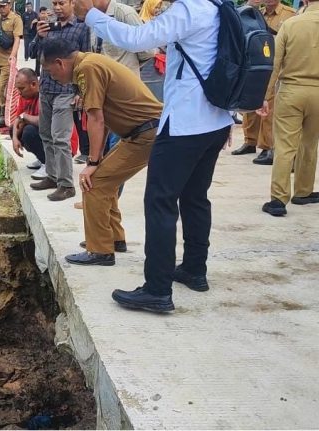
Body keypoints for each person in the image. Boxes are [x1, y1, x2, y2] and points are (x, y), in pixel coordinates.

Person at [74, 0, 234, 312]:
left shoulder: (188, 10)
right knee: (195, 198)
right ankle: (194, 269)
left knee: (159, 202)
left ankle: (157, 289)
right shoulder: (219, 7)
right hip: (216, 120)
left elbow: (136, 40)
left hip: (185, 123)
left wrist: (91, 15)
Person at [41, 39, 162, 266]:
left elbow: (96, 118)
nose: (52, 77)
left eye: (50, 71)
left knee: (93, 183)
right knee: (105, 179)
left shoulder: (87, 68)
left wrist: (93, 163)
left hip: (146, 133)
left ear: (60, 63)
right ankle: (114, 239)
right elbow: (103, 119)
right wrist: (97, 160)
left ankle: (100, 251)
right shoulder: (90, 63)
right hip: (143, 132)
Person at [257, 0, 319, 217]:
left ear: (305, 1)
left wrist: (264, 97)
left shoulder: (290, 24)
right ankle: (303, 191)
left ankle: (278, 200)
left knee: (284, 146)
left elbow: (275, 64)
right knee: (309, 143)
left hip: (291, 92)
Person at [29, 0, 91, 202]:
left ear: (72, 3)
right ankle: (52, 176)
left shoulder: (81, 29)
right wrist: (38, 37)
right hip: (46, 87)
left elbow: (87, 60)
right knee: (46, 134)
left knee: (60, 138)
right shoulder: (49, 27)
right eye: (54, 3)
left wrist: (81, 91)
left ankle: (66, 184)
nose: (57, 7)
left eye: (61, 3)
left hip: (66, 90)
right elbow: (32, 54)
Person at [232, 0, 296, 165]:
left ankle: (268, 146)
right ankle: (250, 141)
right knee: (251, 101)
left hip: (276, 64)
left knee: (269, 104)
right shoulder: (255, 12)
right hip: (256, 63)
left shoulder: (289, 14)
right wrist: (250, 4)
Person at [11, 68, 81, 178]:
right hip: (46, 136)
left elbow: (45, 122)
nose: (19, 92)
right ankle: (43, 158)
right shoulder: (24, 96)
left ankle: (50, 165)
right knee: (14, 129)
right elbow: (17, 119)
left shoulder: (45, 96)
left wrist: (25, 117)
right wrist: (15, 138)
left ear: (33, 84)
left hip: (65, 146)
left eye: (22, 88)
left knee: (28, 132)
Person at [89, 0, 153, 78]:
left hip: (125, 82)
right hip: (103, 82)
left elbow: (147, 51)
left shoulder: (125, 13)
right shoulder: (92, 18)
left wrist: (130, 66)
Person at [0, 0, 24, 128]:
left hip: (7, 60)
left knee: (3, 87)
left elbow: (17, 39)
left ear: (9, 5)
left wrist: (13, 56)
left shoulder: (16, 19)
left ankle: (4, 115)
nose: (2, 9)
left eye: (4, 6)